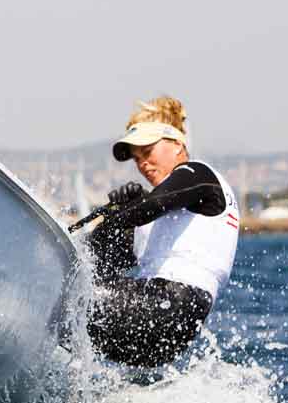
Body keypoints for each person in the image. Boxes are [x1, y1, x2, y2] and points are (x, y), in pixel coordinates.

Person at [84, 96, 240, 367]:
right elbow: (91, 260)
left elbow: (156, 203)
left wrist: (131, 208)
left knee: (72, 303)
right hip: (166, 331)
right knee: (76, 305)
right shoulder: (155, 223)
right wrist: (112, 218)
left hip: (169, 304)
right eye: (136, 159)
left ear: (177, 144)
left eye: (148, 152)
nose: (142, 163)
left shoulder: (200, 174)